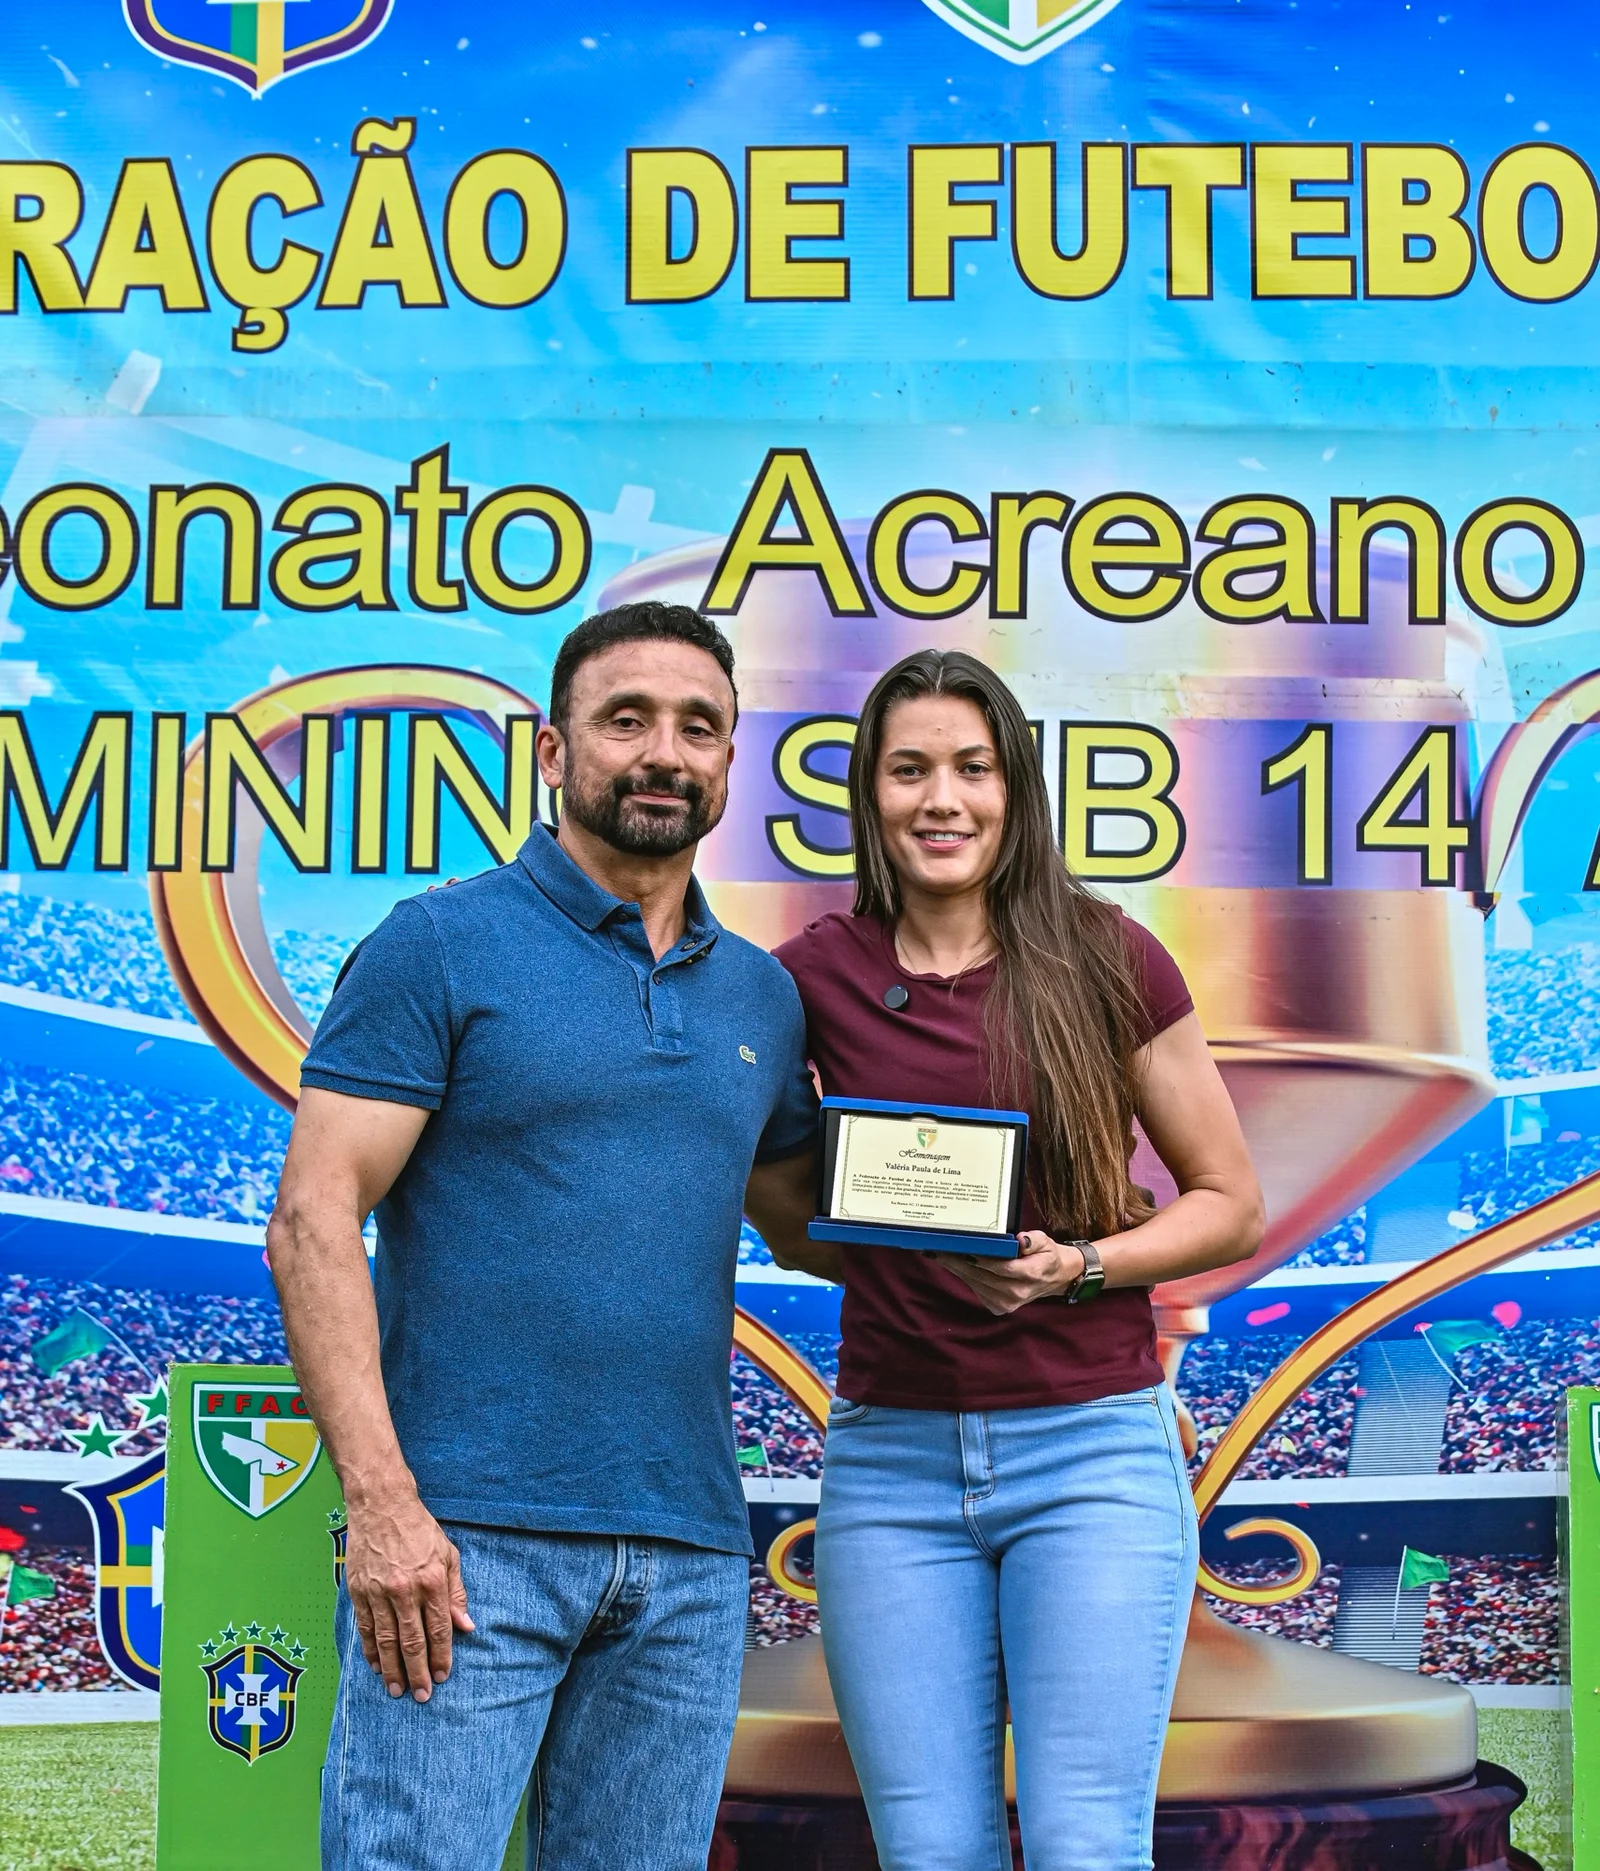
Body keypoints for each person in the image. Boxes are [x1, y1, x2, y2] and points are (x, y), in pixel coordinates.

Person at [266, 602, 819, 1871]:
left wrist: (1044, 1237)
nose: (663, 752)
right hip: (466, 1541)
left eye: (698, 726)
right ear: (554, 750)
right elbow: (309, 1221)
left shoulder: (760, 994)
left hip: (686, 1549)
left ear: (729, 761)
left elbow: (819, 1229)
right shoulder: (439, 943)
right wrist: (383, 1507)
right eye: (626, 719)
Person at [766, 649, 1265, 1871]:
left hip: (1092, 1449)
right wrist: (892, 1241)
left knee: (1085, 1843)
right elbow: (786, 1218)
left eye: (972, 768)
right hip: (891, 1461)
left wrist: (1076, 1264)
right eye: (909, 769)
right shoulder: (810, 976)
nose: (941, 799)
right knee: (929, 1851)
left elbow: (1230, 1205)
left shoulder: (1108, 956)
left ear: (1014, 787)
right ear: (868, 792)